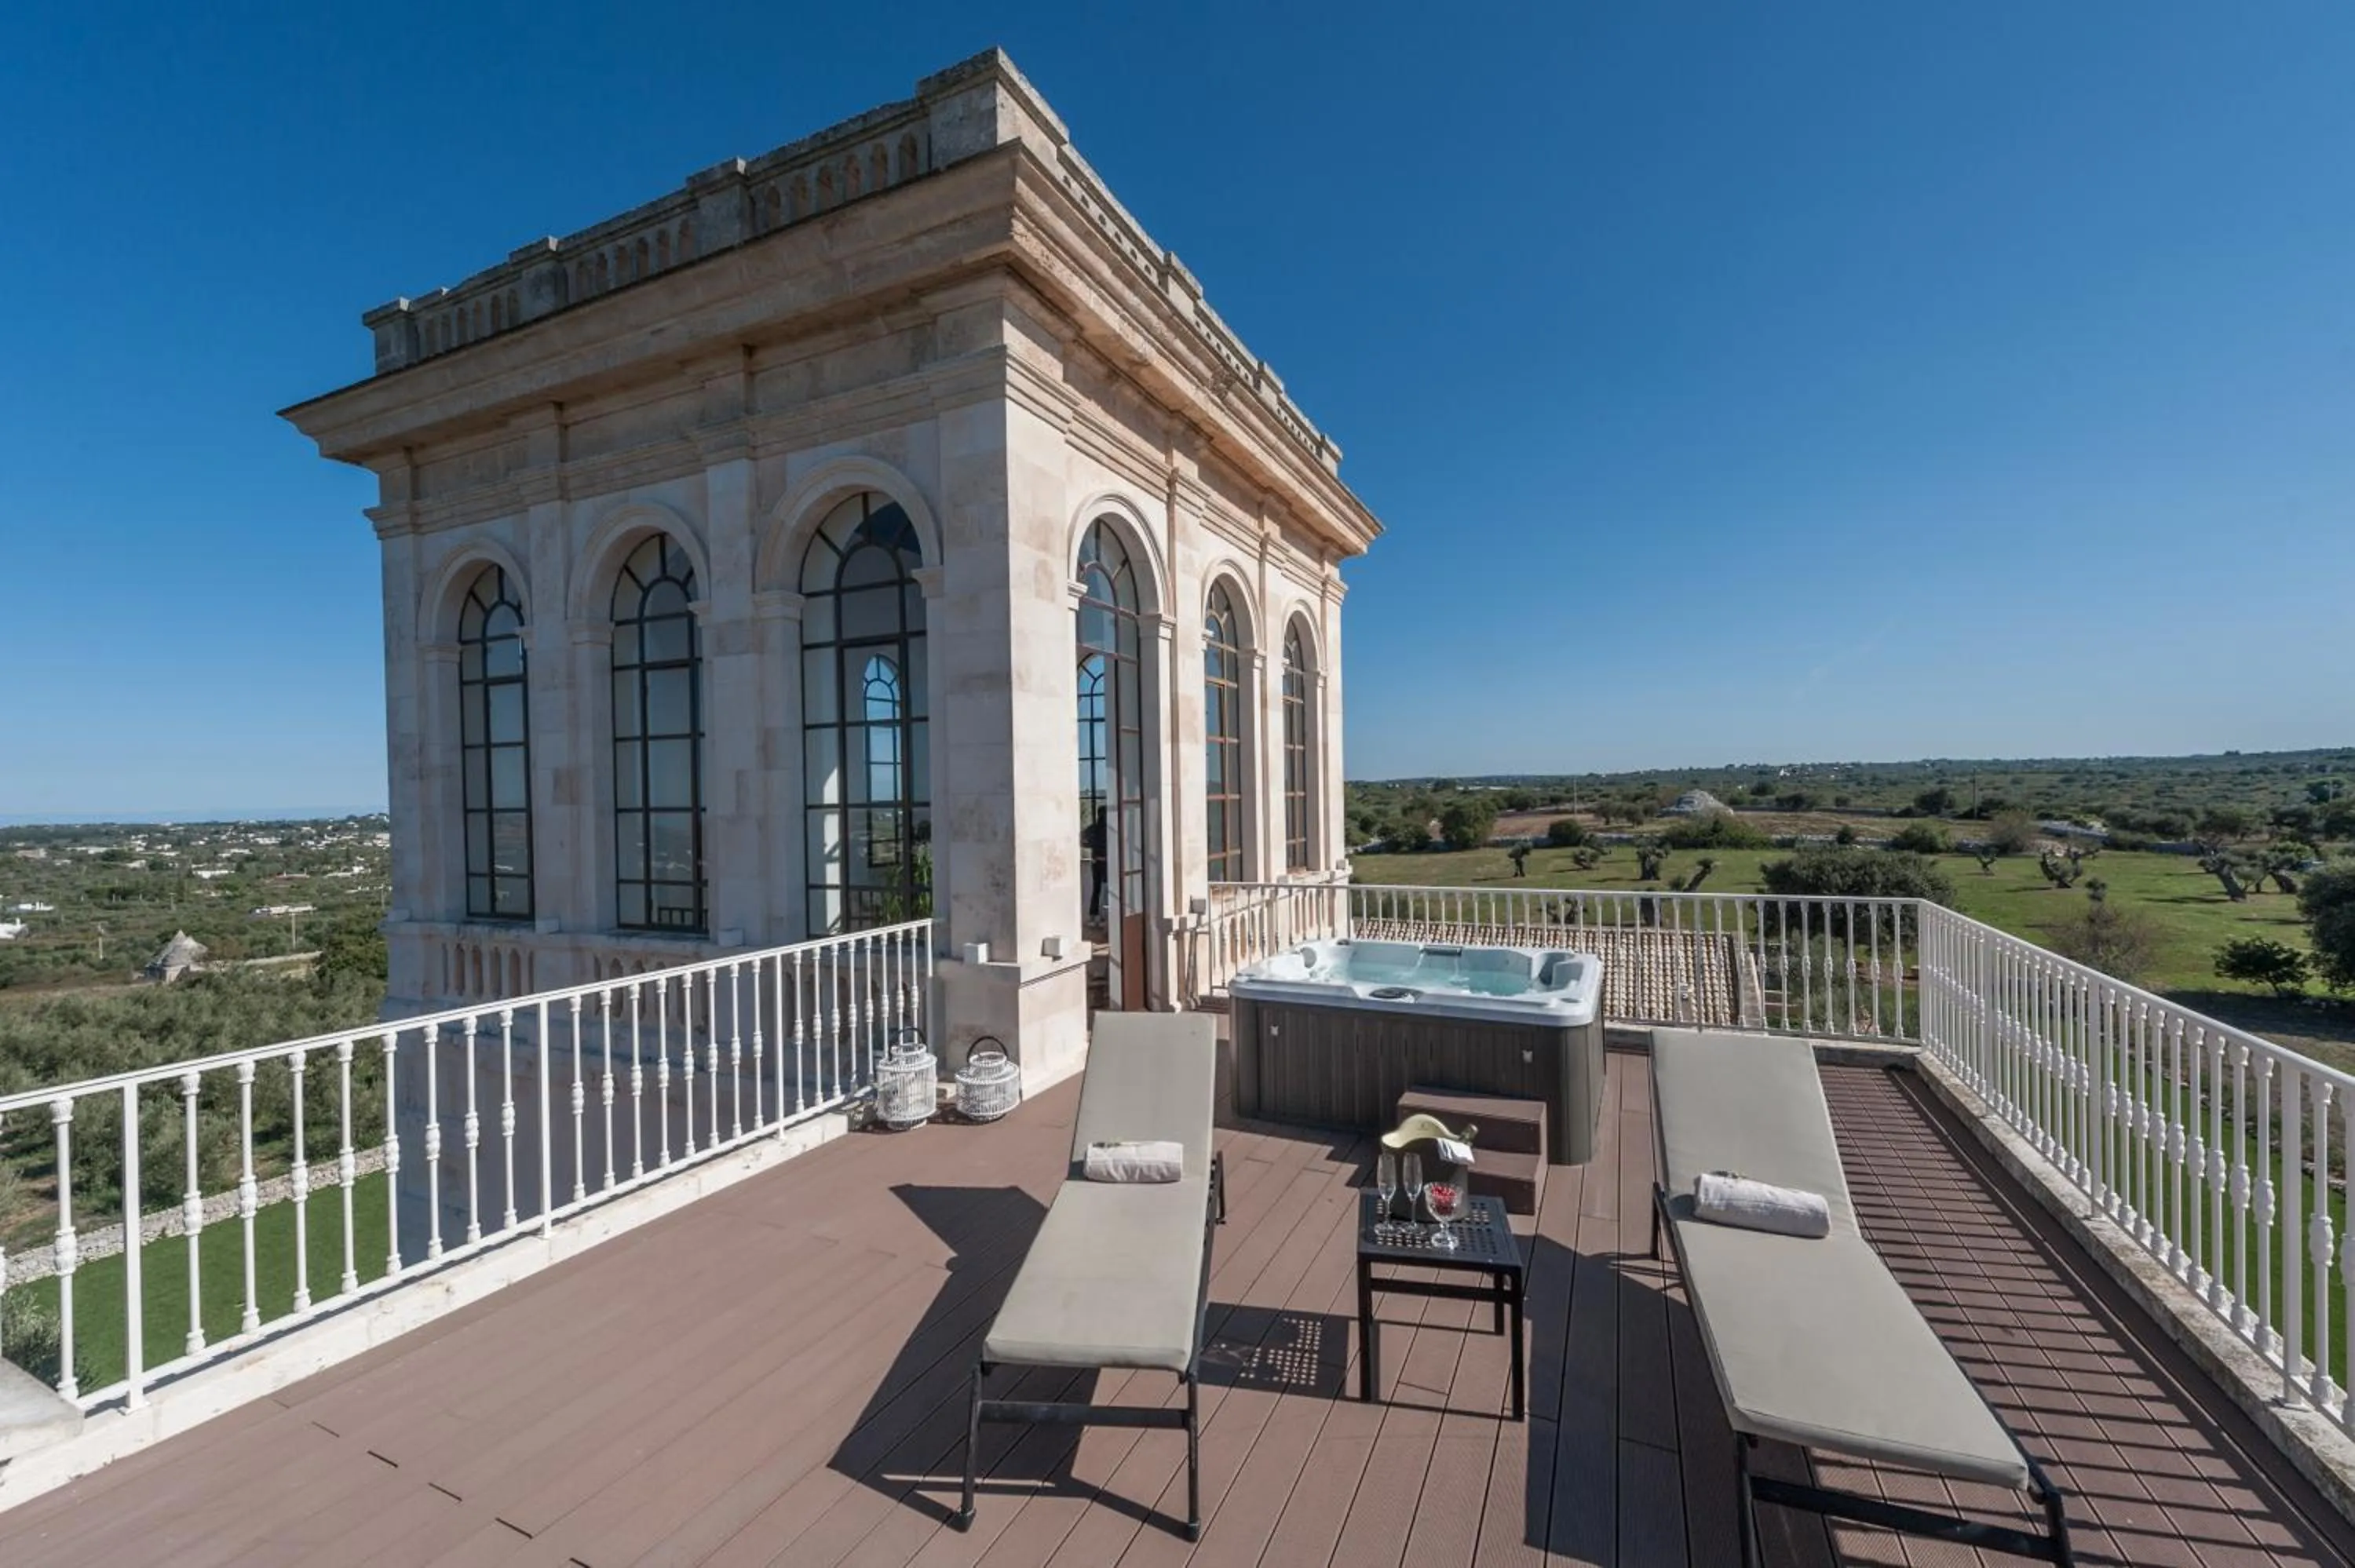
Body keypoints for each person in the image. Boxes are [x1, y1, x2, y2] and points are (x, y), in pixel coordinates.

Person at [1083, 812, 1108, 921]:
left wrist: (1091, 845)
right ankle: (1106, 916)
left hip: (1096, 862)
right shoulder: (1109, 828)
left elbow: (1082, 840)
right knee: (1109, 889)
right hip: (1107, 862)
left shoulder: (1093, 828)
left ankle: (1094, 915)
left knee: (1096, 889)